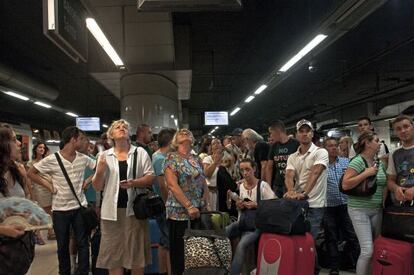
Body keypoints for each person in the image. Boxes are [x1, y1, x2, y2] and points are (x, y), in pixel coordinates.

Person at [28, 126, 95, 275]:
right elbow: (31, 173)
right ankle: (64, 272)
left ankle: (83, 271)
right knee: (62, 246)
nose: (85, 142)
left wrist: (88, 181)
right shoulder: (52, 159)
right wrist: (49, 185)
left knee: (83, 243)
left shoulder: (83, 158)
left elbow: (98, 169)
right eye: (82, 139)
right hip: (60, 210)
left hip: (79, 207)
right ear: (73, 139)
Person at [92, 119, 154, 275]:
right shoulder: (104, 155)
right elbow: (97, 187)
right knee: (114, 256)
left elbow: (150, 177)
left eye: (125, 127)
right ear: (111, 135)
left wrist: (134, 182)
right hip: (110, 214)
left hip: (134, 212)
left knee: (136, 255)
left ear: (129, 134)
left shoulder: (140, 153)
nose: (122, 128)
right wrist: (99, 171)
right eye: (118, 127)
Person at [285, 119, 329, 275]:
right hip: (297, 204)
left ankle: (311, 271)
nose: (304, 134)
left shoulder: (321, 152)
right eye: (301, 131)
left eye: (307, 131)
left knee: (309, 241)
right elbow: (289, 175)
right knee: (301, 241)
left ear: (312, 133)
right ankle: (307, 269)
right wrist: (290, 191)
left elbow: (315, 173)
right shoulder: (292, 156)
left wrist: (304, 193)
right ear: (297, 134)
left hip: (315, 204)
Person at [164, 129, 209, 275]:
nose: (185, 132)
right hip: (179, 213)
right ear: (175, 141)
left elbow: (203, 181)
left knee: (196, 253)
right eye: (181, 132)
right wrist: (188, 205)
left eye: (188, 132)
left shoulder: (196, 159)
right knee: (179, 255)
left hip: (197, 211)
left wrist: (204, 200)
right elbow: (172, 185)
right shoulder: (171, 158)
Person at [342, 131, 387, 275]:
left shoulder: (378, 162)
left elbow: (383, 183)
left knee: (376, 248)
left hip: (377, 209)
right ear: (367, 143)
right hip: (359, 209)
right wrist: (366, 173)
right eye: (376, 140)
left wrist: (383, 202)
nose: (379, 143)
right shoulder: (357, 161)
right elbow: (346, 184)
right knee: (368, 250)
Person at [226, 158, 276, 275]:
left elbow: (274, 206)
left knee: (242, 245)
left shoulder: (263, 186)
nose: (245, 173)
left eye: (248, 169)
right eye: (242, 170)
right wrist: (239, 205)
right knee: (221, 235)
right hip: (242, 222)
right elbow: (238, 209)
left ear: (254, 169)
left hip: (256, 224)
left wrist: (257, 205)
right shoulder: (240, 186)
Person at [323, 137, 359, 275]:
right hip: (329, 207)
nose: (333, 148)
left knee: (351, 235)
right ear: (325, 148)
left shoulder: (346, 162)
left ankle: (354, 263)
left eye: (335, 145)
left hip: (346, 205)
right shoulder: (322, 165)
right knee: (331, 237)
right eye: (330, 146)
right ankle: (334, 267)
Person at [152, 128, 176, 275]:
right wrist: (169, 206)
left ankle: (163, 271)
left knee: (164, 241)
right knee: (170, 243)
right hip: (165, 205)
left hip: (161, 204)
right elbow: (162, 185)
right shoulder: (161, 159)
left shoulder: (157, 156)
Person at [26, 142, 55, 243]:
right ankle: (38, 234)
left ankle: (50, 232)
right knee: (40, 211)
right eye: (39, 147)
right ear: (35, 149)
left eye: (43, 147)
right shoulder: (31, 163)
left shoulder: (46, 161)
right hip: (39, 189)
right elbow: (28, 179)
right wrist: (31, 193)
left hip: (49, 188)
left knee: (49, 211)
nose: (42, 149)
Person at [265, 120, 299, 198]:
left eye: (271, 133)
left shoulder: (295, 144)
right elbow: (269, 167)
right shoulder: (273, 146)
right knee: (277, 208)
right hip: (278, 184)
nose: (270, 136)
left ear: (277, 131)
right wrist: (268, 187)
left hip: (292, 184)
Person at [387, 115, 414, 202]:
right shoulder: (394, 153)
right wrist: (396, 189)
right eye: (398, 129)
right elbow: (390, 180)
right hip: (403, 205)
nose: (403, 131)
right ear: (395, 132)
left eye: (406, 127)